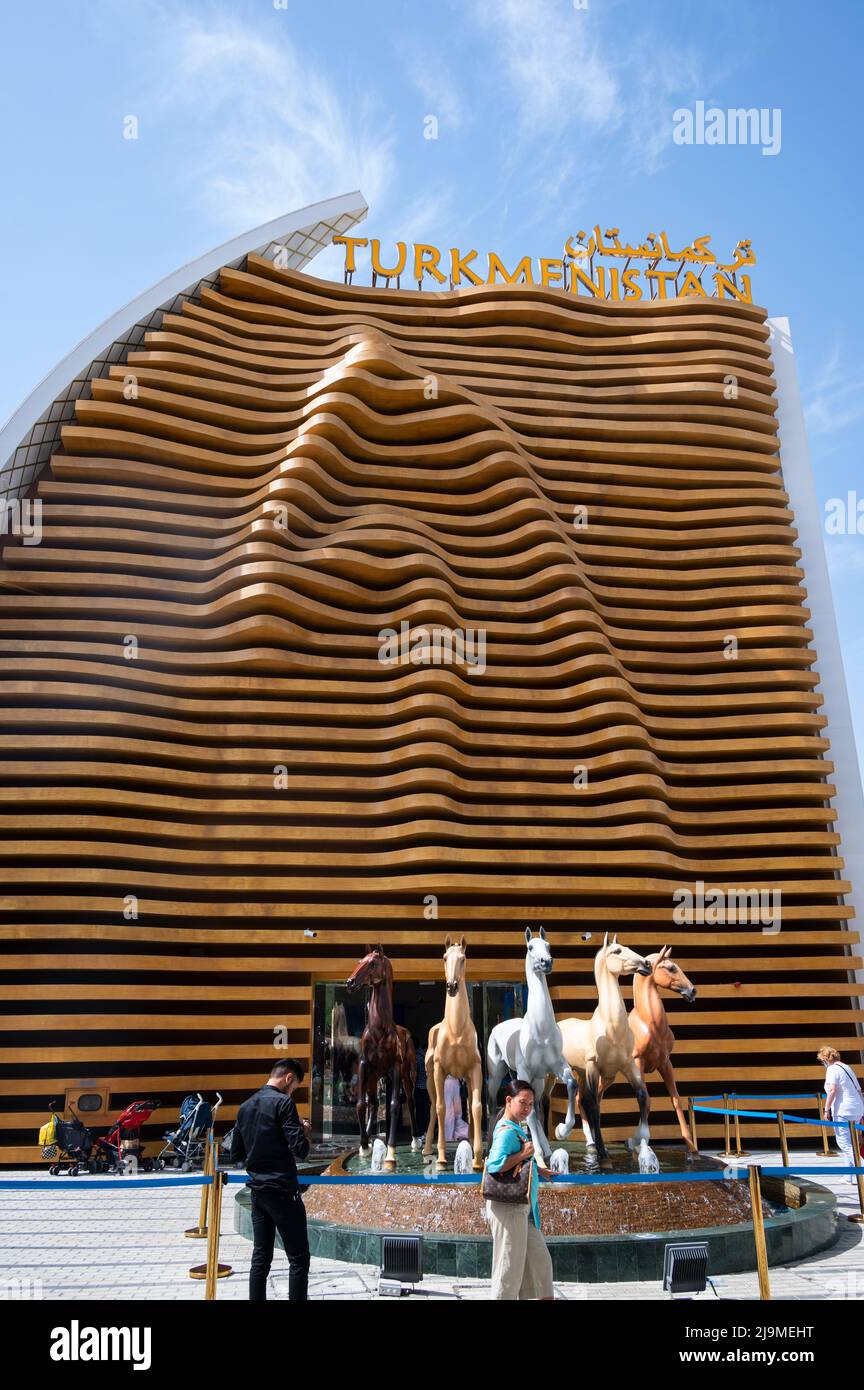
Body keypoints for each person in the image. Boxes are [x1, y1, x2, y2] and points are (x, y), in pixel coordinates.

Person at [233, 1058, 311, 1300]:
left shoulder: (245, 1106)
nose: (293, 1090)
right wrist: (304, 1132)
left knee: (261, 1258)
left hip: (258, 1192)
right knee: (298, 1258)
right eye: (295, 1085)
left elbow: (236, 1154)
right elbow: (300, 1149)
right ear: (288, 1078)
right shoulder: (284, 1103)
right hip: (283, 1191)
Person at [485, 1079, 554, 1300]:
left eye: (531, 1104)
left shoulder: (515, 1127)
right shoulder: (506, 1131)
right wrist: (524, 1154)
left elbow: (515, 1165)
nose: (527, 1109)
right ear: (508, 1100)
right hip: (509, 1209)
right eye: (523, 1103)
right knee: (509, 1270)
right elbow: (495, 1165)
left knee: (540, 1262)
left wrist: (538, 1169)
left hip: (521, 1209)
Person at [819, 1047, 864, 1182]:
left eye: (822, 1062)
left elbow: (832, 1090)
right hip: (856, 1108)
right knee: (851, 1143)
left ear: (826, 1059)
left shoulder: (832, 1069)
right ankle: (848, 1176)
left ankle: (862, 1168)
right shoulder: (846, 1067)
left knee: (844, 1143)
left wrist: (826, 1110)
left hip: (844, 1110)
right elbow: (858, 1090)